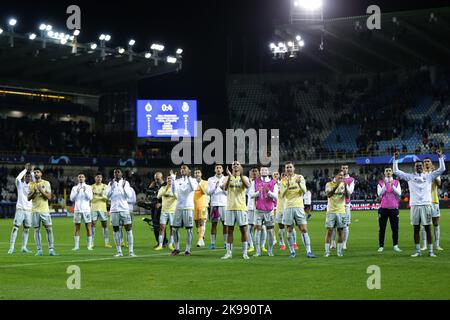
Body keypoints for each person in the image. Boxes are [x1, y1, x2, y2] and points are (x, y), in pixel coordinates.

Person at [393, 150, 445, 257]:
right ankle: (418, 251)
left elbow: (442, 169)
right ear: (414, 167)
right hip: (415, 206)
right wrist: (395, 159)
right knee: (416, 228)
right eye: (417, 166)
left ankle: (430, 251)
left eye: (420, 166)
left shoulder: (429, 176)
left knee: (428, 228)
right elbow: (396, 171)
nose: (419, 167)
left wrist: (440, 158)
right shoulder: (410, 177)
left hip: (426, 205)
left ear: (423, 167)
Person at [280, 161, 315, 258]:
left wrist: (299, 184)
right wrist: (287, 187)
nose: (289, 169)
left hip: (299, 206)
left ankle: (309, 251)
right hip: (288, 207)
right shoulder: (283, 180)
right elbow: (282, 195)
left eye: (290, 167)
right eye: (287, 167)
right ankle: (292, 252)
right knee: (289, 229)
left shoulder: (300, 177)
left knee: (303, 229)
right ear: (285, 169)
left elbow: (304, 191)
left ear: (294, 168)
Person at [221, 161, 251, 260]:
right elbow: (224, 188)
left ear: (240, 167)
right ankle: (229, 253)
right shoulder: (226, 178)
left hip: (241, 207)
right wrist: (229, 176)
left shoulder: (244, 177)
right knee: (230, 230)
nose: (235, 166)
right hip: (230, 207)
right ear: (231, 167)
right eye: (234, 164)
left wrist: (241, 175)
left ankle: (245, 253)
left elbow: (248, 186)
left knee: (243, 230)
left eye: (237, 164)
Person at [28, 167, 57, 256]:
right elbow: (28, 198)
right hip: (34, 211)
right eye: (35, 172)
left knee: (49, 229)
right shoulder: (31, 184)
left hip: (44, 211)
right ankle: (39, 250)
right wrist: (34, 192)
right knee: (36, 230)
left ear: (41, 174)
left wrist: (41, 190)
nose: (36, 173)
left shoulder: (46, 183)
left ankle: (51, 249)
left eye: (38, 172)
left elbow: (49, 197)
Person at [106, 168, 135, 257]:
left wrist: (123, 187)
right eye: (115, 172)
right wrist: (111, 187)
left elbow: (129, 196)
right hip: (114, 210)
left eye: (118, 172)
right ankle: (119, 252)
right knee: (116, 230)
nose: (116, 173)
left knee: (128, 229)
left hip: (124, 209)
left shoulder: (126, 183)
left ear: (121, 174)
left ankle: (131, 251)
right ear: (113, 174)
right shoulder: (110, 183)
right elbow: (107, 196)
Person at [249, 166, 278, 256]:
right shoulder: (255, 182)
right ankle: (258, 251)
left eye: (265, 170)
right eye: (262, 170)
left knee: (269, 231)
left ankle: (270, 251)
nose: (264, 171)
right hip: (258, 210)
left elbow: (276, 196)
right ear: (260, 172)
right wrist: (258, 192)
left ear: (268, 172)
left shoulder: (273, 182)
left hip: (269, 210)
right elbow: (250, 195)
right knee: (257, 229)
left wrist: (269, 192)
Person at [171, 165, 198, 256]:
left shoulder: (193, 180)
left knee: (189, 230)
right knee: (174, 228)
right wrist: (173, 180)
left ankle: (188, 249)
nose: (182, 170)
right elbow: (173, 191)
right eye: (181, 169)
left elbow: (193, 188)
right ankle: (176, 248)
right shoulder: (178, 181)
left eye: (184, 168)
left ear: (189, 170)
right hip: (178, 207)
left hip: (188, 207)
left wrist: (189, 177)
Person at [8, 163, 34, 254]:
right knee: (15, 228)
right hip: (20, 209)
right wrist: (25, 169)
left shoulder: (32, 186)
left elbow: (36, 180)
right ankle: (11, 247)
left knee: (26, 229)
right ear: (24, 177)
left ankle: (24, 247)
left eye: (29, 177)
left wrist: (31, 171)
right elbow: (17, 178)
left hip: (29, 210)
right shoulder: (20, 185)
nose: (28, 178)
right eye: (26, 177)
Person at [324, 169, 349, 257]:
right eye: (339, 175)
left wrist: (345, 187)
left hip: (341, 211)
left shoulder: (344, 184)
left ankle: (339, 252)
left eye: (342, 175)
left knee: (340, 231)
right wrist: (337, 186)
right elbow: (329, 195)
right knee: (330, 231)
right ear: (334, 175)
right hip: (331, 211)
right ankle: (327, 252)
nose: (341, 177)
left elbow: (348, 196)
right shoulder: (328, 184)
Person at [377, 167, 402, 253]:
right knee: (382, 228)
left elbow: (399, 193)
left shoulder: (396, 182)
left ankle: (395, 245)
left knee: (395, 228)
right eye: (386, 171)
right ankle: (381, 246)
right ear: (384, 173)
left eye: (389, 171)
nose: (388, 172)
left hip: (394, 208)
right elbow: (379, 194)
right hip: (383, 208)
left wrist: (392, 186)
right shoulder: (380, 183)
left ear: (392, 172)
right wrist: (385, 184)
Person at [422, 159, 443, 251]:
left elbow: (439, 184)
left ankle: (437, 245)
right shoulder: (420, 174)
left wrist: (433, 173)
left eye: (428, 161)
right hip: (424, 202)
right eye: (425, 161)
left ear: (431, 163)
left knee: (436, 223)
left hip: (434, 201)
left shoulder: (435, 173)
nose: (426, 162)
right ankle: (424, 245)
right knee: (424, 224)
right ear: (423, 164)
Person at [70, 173, 94, 251]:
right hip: (77, 210)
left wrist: (85, 191)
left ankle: (89, 246)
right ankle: (76, 246)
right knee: (77, 228)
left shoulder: (88, 187)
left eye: (82, 177)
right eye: (79, 177)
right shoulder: (74, 188)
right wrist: (77, 192)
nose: (81, 178)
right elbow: (71, 199)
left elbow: (90, 198)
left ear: (85, 178)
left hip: (86, 210)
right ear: (77, 178)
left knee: (88, 227)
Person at [206, 164, 228, 250]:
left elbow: (228, 193)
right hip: (214, 204)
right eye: (217, 168)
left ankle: (226, 243)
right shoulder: (210, 179)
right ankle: (212, 243)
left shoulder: (226, 178)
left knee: (225, 225)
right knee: (213, 225)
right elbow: (208, 192)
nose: (218, 169)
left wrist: (223, 189)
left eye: (220, 168)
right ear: (215, 170)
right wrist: (215, 188)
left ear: (222, 170)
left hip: (224, 204)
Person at [155, 174, 177, 250]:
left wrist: (173, 189)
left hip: (172, 211)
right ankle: (160, 245)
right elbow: (158, 196)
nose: (169, 180)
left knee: (172, 228)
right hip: (164, 211)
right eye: (168, 179)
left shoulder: (175, 189)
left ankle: (171, 244)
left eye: (171, 179)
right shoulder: (163, 188)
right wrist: (166, 188)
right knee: (162, 227)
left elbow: (177, 197)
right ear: (166, 180)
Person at [91, 173, 111, 248]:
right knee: (92, 225)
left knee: (105, 225)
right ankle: (91, 242)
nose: (99, 178)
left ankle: (107, 242)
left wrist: (97, 195)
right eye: (97, 177)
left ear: (102, 178)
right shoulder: (91, 187)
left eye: (100, 177)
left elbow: (107, 198)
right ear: (95, 178)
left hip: (103, 208)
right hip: (93, 208)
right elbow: (91, 198)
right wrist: (101, 196)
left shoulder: (105, 186)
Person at [193, 169, 208, 247]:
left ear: (201, 174)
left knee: (201, 221)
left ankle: (200, 239)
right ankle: (201, 237)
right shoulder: (192, 183)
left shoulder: (205, 182)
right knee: (197, 224)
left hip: (203, 205)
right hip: (194, 206)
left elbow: (204, 192)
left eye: (198, 172)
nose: (197, 174)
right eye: (195, 173)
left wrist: (199, 184)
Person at [246, 167, 259, 253]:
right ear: (250, 173)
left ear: (259, 173)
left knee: (259, 228)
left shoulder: (262, 182)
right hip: (250, 207)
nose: (254, 173)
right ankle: (251, 245)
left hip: (259, 208)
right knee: (248, 227)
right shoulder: (246, 182)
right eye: (252, 171)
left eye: (255, 171)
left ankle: (260, 246)